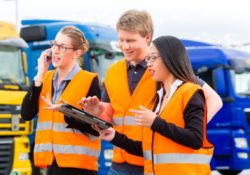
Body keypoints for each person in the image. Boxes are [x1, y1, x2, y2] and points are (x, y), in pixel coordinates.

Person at [81, 9, 221, 175]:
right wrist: (98, 112)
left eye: (131, 40)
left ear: (148, 37)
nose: (124, 46)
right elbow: (110, 116)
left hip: (153, 163)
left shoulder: (166, 70)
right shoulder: (113, 72)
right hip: (120, 162)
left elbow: (214, 100)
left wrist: (184, 131)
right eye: (121, 40)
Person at [100, 35, 214, 175]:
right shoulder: (158, 99)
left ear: (169, 58)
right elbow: (148, 149)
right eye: (148, 58)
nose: (149, 64)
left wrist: (155, 122)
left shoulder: (190, 92)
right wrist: (114, 136)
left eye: (153, 57)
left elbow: (196, 139)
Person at [21, 26, 100, 175]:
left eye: (62, 47)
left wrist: (66, 112)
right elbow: (26, 114)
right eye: (54, 45)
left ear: (76, 53)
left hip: (77, 168)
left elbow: (95, 128)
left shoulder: (88, 80)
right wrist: (39, 76)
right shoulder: (45, 78)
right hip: (46, 165)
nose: (55, 50)